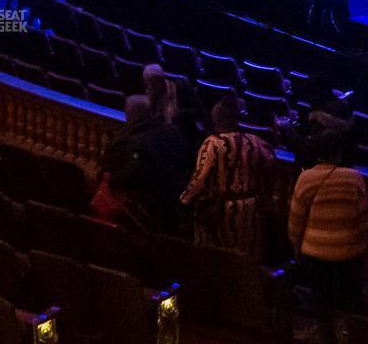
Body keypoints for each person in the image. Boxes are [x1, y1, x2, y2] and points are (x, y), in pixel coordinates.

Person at [288, 133, 368, 344]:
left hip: (315, 250)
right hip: (349, 250)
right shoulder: (354, 178)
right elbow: (364, 217)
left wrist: (297, 248)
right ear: (339, 152)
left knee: (323, 302)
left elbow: (295, 221)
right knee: (352, 299)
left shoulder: (305, 178)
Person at [179, 96, 276, 258]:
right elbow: (271, 162)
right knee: (246, 256)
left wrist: (184, 200)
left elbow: (199, 179)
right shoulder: (255, 141)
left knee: (219, 258)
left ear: (216, 119)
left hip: (222, 211)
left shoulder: (213, 144)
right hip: (250, 208)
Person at [102, 94, 193, 233]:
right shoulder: (172, 130)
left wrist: (111, 178)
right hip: (173, 202)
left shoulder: (138, 141)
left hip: (147, 206)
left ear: (130, 113)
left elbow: (133, 173)